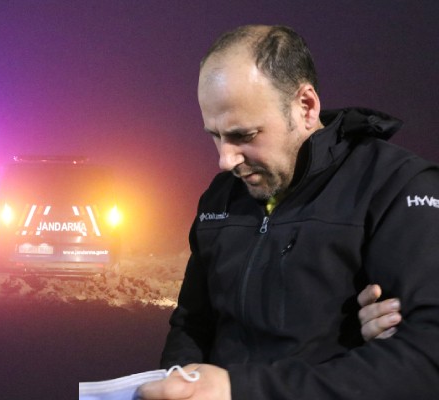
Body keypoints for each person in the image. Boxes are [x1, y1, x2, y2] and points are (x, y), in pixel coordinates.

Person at [138, 25, 439, 399]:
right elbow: (191, 325)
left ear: (306, 107)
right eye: (215, 135)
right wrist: (178, 386)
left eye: (244, 135)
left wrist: (240, 391)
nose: (225, 160)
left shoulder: (398, 186)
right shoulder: (220, 197)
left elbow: (425, 359)